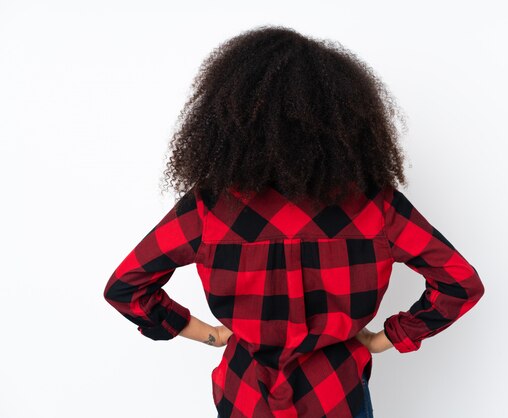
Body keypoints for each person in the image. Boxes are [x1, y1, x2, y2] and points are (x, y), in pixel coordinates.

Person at [103, 25, 485, 418]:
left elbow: (127, 287)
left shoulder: (210, 207)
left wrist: (212, 334)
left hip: (245, 399)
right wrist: (386, 338)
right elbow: (459, 283)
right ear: (344, 118)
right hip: (338, 395)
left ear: (228, 117)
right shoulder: (376, 205)